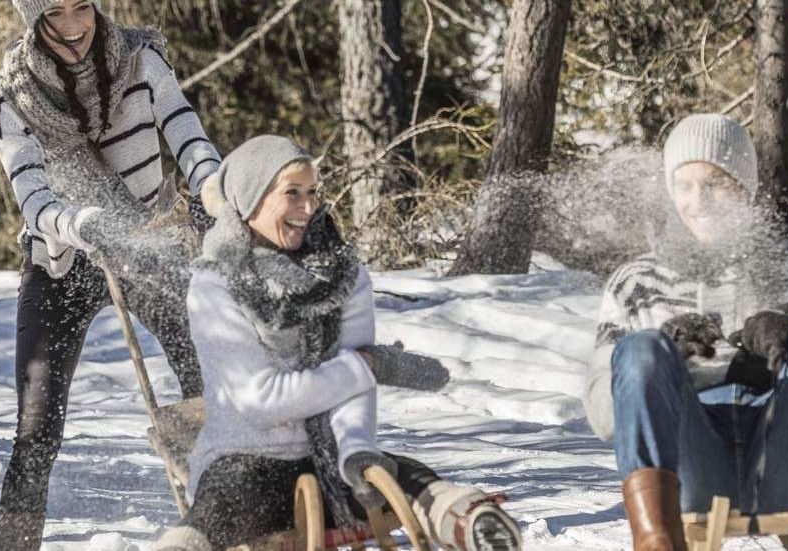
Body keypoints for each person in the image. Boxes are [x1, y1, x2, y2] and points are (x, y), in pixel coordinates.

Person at [153, 135, 523, 551]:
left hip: (327, 458)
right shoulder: (216, 283)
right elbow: (260, 400)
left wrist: (357, 451)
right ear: (251, 199)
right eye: (291, 193)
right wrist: (359, 366)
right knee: (226, 501)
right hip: (246, 457)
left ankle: (469, 522)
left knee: (405, 477)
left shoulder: (341, 274)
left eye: (312, 192)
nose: (308, 208)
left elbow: (354, 390)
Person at [582, 114, 788, 551]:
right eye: (684, 185)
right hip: (692, 466)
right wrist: (666, 357)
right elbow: (601, 412)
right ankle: (655, 543)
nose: (698, 201)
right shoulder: (637, 283)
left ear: (745, 187)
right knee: (640, 348)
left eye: (715, 183)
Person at [0, 1, 221, 548]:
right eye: (57, 12)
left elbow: (188, 133)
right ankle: (16, 540)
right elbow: (33, 196)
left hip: (144, 242)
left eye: (83, 7)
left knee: (210, 377)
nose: (74, 25)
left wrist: (210, 185)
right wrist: (80, 222)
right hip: (60, 261)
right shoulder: (11, 93)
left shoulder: (140, 58)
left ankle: (227, 513)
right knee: (38, 421)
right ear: (33, 20)